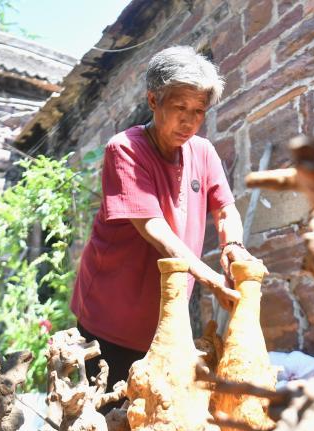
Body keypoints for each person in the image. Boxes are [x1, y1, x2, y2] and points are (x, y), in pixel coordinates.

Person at [71, 45, 259, 388]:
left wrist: (233, 245)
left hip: (162, 316)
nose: (189, 121)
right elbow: (152, 226)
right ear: (154, 100)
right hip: (110, 313)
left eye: (199, 111)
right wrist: (210, 277)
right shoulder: (125, 149)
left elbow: (225, 207)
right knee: (105, 413)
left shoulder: (202, 151)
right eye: (179, 108)